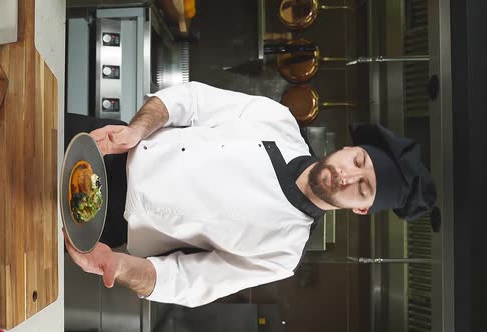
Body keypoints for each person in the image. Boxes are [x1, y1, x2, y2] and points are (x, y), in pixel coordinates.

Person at [63, 81, 436, 307]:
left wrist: (115, 266)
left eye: (363, 187)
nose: (347, 176)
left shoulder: (283, 253)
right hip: (108, 146)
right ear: (348, 149)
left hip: (104, 224)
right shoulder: (278, 120)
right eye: (358, 161)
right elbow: (192, 100)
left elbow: (188, 282)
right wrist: (136, 130)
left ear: (361, 209)